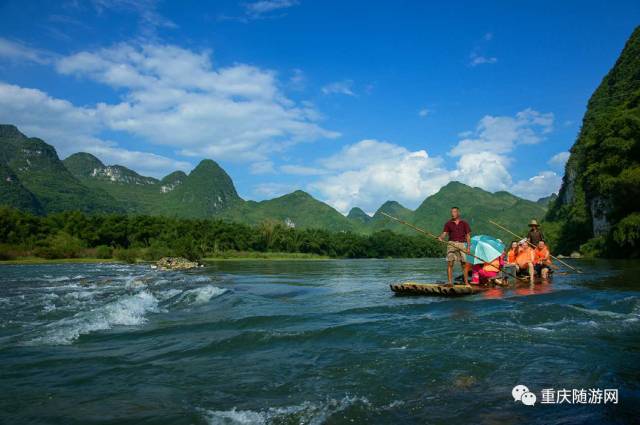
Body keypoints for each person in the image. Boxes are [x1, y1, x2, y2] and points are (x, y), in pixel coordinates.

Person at [438, 207, 471, 286]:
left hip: (462, 244)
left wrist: (468, 248)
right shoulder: (448, 223)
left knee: (464, 264)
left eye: (454, 212)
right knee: (450, 263)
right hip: (451, 244)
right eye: (452, 212)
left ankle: (466, 282)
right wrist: (441, 238)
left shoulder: (464, 223)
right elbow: (444, 233)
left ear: (458, 213)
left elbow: (468, 236)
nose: (453, 213)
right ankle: (450, 282)